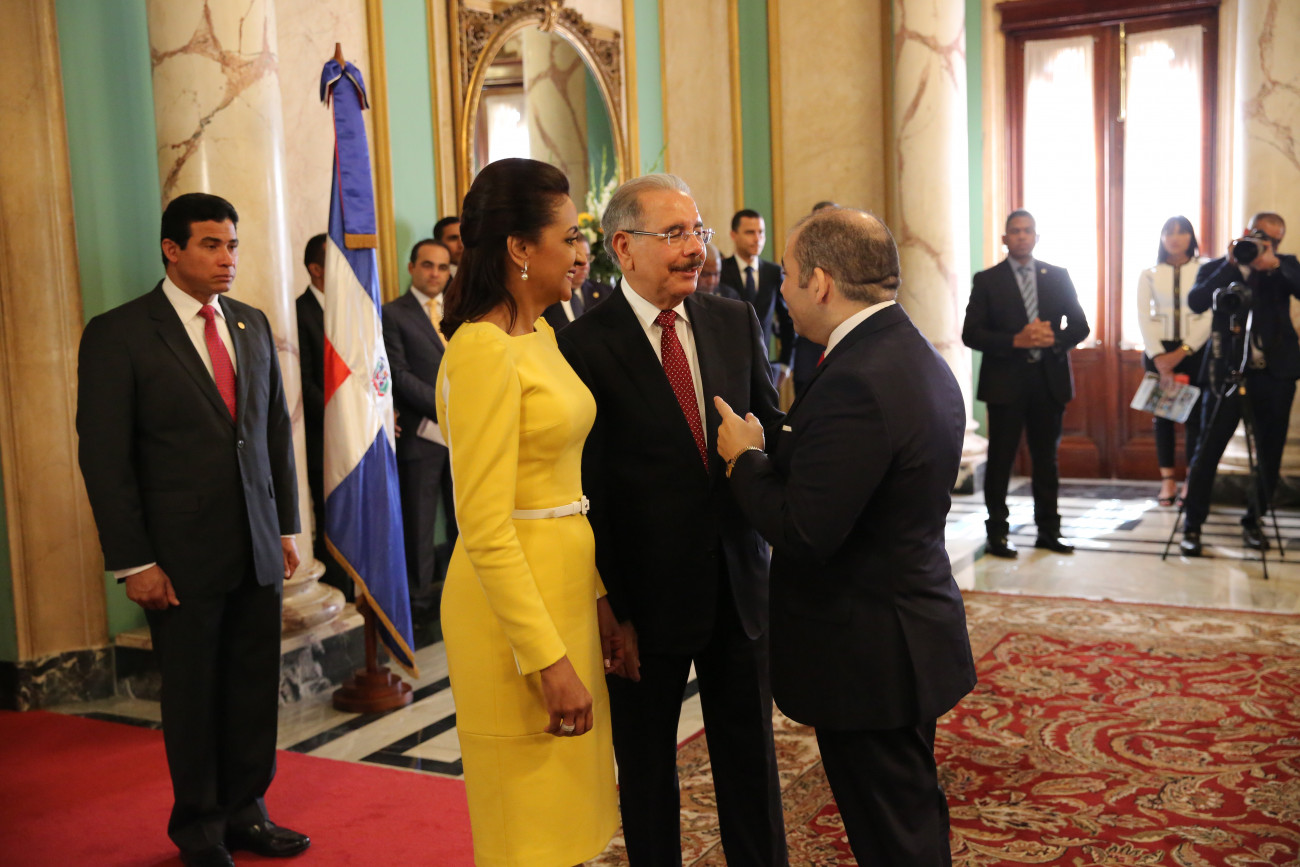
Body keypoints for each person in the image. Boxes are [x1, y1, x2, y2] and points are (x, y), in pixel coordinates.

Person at [715, 207, 976, 866]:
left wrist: (745, 459)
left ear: (821, 282)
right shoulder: (905, 349)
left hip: (870, 651)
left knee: (895, 836)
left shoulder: (857, 377)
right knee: (908, 815)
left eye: (788, 278)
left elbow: (803, 529)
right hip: (903, 630)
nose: (783, 293)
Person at [558, 175, 789, 867]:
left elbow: (766, 428)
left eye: (699, 231)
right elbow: (587, 486)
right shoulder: (582, 344)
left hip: (738, 587)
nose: (696, 249)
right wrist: (611, 606)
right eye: (676, 234)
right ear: (623, 247)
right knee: (647, 770)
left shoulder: (731, 320)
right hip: (644, 603)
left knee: (751, 763)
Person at [77, 193, 309, 867]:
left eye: (232, 245)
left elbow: (272, 434)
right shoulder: (120, 332)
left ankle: (247, 811)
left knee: (251, 688)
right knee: (195, 696)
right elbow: (105, 457)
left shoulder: (251, 323)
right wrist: (133, 561)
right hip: (178, 557)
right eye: (211, 244)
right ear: (171, 249)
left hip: (256, 544)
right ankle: (201, 829)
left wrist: (284, 526)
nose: (227, 258)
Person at [433, 158, 620, 867]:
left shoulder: (539, 333)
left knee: (572, 817)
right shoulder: (481, 350)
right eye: (568, 237)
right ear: (518, 247)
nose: (581, 251)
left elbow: (560, 486)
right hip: (511, 616)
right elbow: (484, 527)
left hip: (564, 590)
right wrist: (546, 658)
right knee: (529, 833)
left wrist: (597, 597)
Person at [962, 209, 1090, 559]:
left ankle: (1049, 531)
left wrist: (1055, 339)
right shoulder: (987, 280)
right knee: (1001, 461)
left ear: (1036, 237)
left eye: (1027, 230)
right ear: (1005, 238)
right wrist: (1014, 340)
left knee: (1046, 460)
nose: (1021, 236)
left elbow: (1080, 326)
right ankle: (997, 534)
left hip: (1048, 383)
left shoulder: (1058, 276)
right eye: (1015, 231)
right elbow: (971, 333)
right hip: (1005, 384)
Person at [1179, 212, 1300, 556]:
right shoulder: (1217, 267)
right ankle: (1192, 525)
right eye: (1262, 236)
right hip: (1225, 373)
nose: (1267, 243)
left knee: (1270, 454)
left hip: (1274, 376)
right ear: (1248, 232)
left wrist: (1274, 265)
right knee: (1207, 451)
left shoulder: (1285, 266)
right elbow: (1196, 301)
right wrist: (1232, 263)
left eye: (1275, 240)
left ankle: (1254, 521)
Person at [382, 239, 458, 615]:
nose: (435, 274)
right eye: (427, 265)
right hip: (422, 432)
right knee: (420, 520)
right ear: (411, 267)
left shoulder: (461, 311)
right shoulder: (392, 313)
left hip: (464, 434)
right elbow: (397, 373)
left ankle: (465, 590)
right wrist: (448, 408)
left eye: (442, 267)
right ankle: (419, 598)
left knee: (465, 517)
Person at [1135, 216, 1210, 506]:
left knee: (1194, 418)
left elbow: (1209, 315)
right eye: (1169, 232)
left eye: (1181, 232)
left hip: (1195, 351)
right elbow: (1143, 316)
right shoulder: (1149, 274)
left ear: (1191, 237)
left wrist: (1184, 350)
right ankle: (1167, 480)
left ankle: (1192, 480)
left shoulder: (1205, 269)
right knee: (1163, 417)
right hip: (1159, 352)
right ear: (1162, 238)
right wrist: (1158, 356)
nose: (1175, 238)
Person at [296, 232, 351, 598]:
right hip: (325, 441)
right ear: (316, 269)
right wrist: (342, 423)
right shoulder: (299, 313)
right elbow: (303, 384)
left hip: (358, 438)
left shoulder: (352, 310)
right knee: (334, 524)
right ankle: (339, 596)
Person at [721, 208, 795, 374]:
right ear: (733, 235)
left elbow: (787, 320)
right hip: (726, 364)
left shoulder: (773, 272)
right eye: (750, 232)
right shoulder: (720, 272)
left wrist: (785, 364)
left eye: (761, 232)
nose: (757, 239)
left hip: (763, 365)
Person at [541, 233, 589, 330]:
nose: (585, 264)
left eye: (588, 257)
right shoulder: (543, 301)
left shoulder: (605, 292)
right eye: (574, 255)